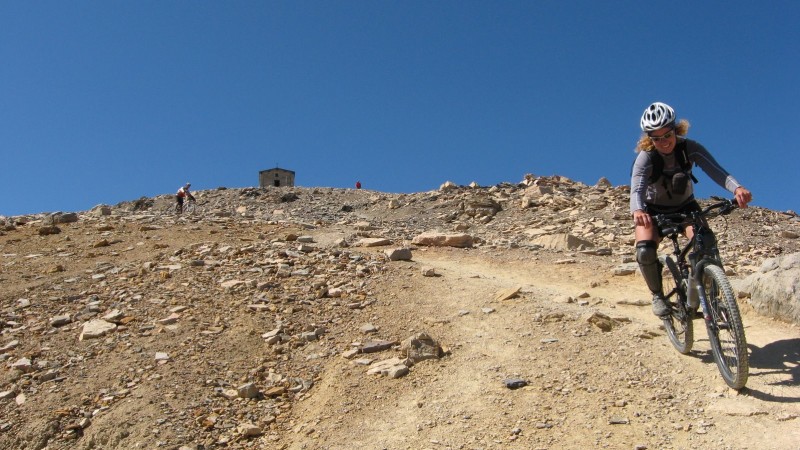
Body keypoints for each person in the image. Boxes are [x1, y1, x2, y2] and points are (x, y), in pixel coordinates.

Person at [630, 102, 752, 317]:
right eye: (656, 138)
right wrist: (638, 210)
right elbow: (637, 188)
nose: (663, 142)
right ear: (650, 138)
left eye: (667, 135)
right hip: (653, 211)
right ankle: (658, 296)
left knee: (705, 243)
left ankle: (711, 294)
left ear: (676, 129)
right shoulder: (646, 157)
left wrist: (737, 188)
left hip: (686, 207)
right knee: (645, 251)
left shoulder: (690, 148)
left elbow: (716, 170)